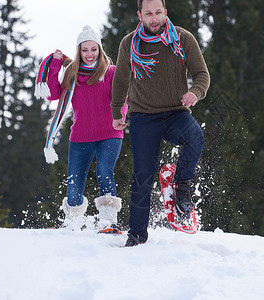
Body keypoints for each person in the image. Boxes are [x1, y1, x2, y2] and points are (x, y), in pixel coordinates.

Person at [111, 0, 210, 246]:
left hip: (176, 112)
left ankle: (182, 185)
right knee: (143, 175)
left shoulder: (183, 39)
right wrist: (116, 112)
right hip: (143, 116)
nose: (154, 18)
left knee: (195, 136)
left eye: (158, 13)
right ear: (140, 15)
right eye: (148, 14)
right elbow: (121, 80)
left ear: (165, 13)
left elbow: (202, 74)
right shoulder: (129, 44)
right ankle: (136, 235)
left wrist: (195, 92)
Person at [34, 25, 128, 230]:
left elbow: (122, 96)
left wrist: (119, 116)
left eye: (93, 49)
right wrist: (56, 65)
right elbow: (52, 94)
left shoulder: (111, 72)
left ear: (100, 50)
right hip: (80, 136)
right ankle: (72, 224)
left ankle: (108, 222)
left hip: (110, 133)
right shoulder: (72, 75)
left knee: (104, 171)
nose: (89, 54)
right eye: (84, 50)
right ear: (78, 51)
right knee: (74, 182)